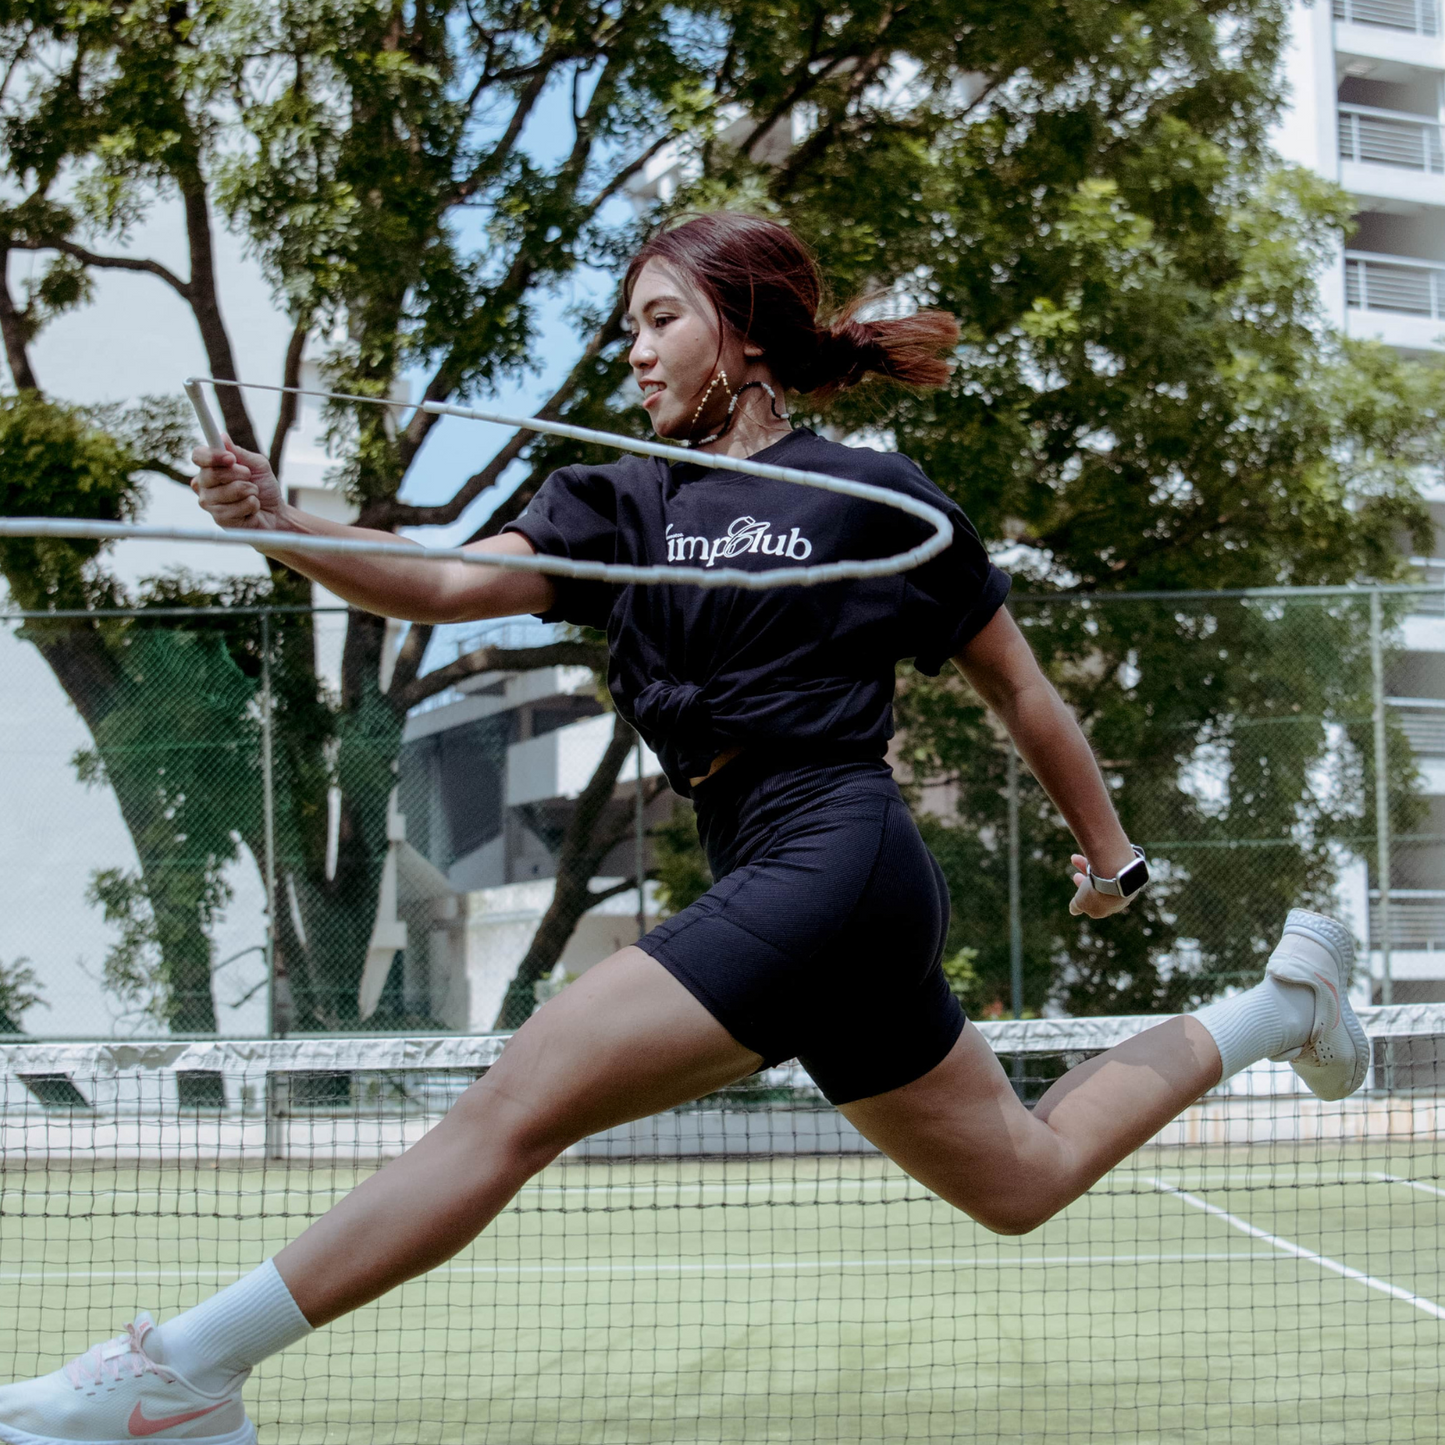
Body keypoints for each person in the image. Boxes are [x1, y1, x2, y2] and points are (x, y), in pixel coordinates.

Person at [0, 212, 1368, 1445]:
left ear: (744, 327)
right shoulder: (625, 498)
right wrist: (283, 526)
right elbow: (429, 583)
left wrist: (1111, 853)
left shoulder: (879, 501)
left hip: (837, 850)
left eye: (659, 319)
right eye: (627, 328)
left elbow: (1020, 689)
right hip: (771, 859)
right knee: (1026, 1176)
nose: (635, 351)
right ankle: (1284, 1010)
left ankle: (182, 1372)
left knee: (517, 1102)